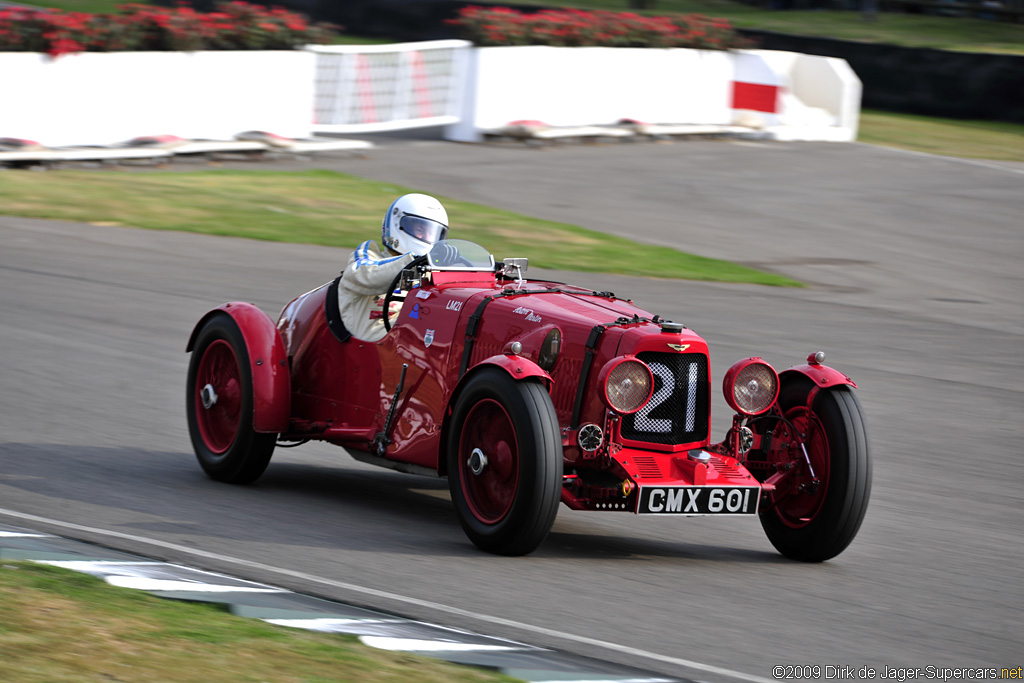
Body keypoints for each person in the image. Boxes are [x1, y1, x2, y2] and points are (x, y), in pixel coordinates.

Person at [338, 193, 449, 342]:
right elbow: (363, 274)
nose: (426, 237)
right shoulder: (368, 257)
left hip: (404, 347)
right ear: (398, 225)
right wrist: (413, 262)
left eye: (432, 233)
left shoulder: (428, 270)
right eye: (420, 230)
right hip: (368, 346)